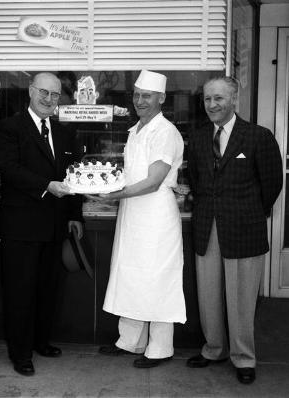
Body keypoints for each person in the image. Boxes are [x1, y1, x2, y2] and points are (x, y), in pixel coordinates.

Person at [186, 76, 283, 384]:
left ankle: (244, 358)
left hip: (244, 228)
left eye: (218, 99)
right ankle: (214, 349)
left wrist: (251, 211)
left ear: (234, 100)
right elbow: (198, 180)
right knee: (208, 295)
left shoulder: (258, 136)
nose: (211, 105)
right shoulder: (199, 137)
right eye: (207, 99)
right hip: (207, 227)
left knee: (241, 298)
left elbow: (272, 185)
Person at [89, 70, 186, 368]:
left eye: (146, 96)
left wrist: (115, 196)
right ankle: (131, 341)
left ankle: (159, 348)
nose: (140, 101)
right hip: (133, 214)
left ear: (161, 98)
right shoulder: (136, 130)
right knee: (131, 274)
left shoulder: (165, 131)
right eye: (136, 95)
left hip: (156, 215)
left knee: (156, 278)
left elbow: (155, 180)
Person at [0, 72, 84, 376]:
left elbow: (73, 177)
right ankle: (20, 354)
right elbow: (9, 169)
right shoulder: (9, 128)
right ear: (31, 92)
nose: (48, 99)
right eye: (43, 92)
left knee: (48, 289)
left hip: (56, 226)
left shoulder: (65, 133)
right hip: (21, 227)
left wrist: (75, 216)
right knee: (20, 292)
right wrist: (47, 183)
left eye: (55, 95)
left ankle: (41, 342)